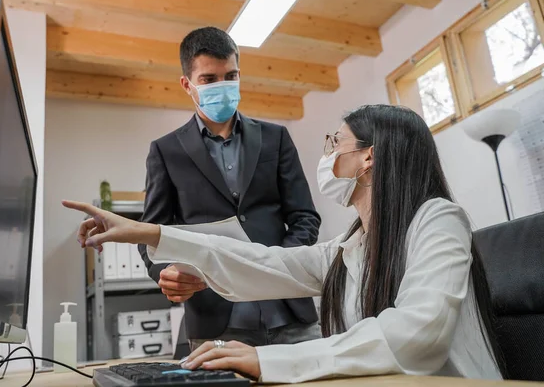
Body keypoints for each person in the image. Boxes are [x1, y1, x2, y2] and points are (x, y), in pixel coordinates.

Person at [63, 105, 506, 384]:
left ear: (368, 156)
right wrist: (149, 231)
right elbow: (263, 262)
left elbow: (414, 335)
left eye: (336, 142)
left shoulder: (438, 220)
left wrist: (269, 359)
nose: (329, 152)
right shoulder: (350, 245)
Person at [137, 26, 322, 349]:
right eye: (209, 79)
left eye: (231, 75)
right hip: (215, 322)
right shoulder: (166, 152)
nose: (222, 86)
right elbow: (152, 233)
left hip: (290, 313)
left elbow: (305, 217)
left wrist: (274, 264)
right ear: (188, 84)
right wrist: (166, 272)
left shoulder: (275, 139)